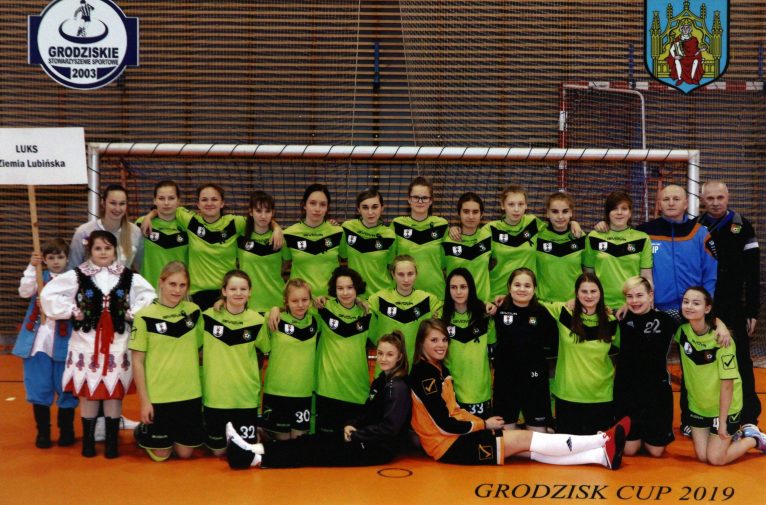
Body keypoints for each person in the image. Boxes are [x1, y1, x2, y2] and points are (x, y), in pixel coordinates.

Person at [409, 318, 630, 469]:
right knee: (525, 438)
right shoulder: (423, 374)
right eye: (434, 340)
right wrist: (483, 424)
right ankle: (601, 439)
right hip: (448, 445)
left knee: (525, 448)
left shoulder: (439, 369)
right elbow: (443, 424)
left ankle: (600, 457)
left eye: (444, 339)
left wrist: (479, 423)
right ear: (421, 343)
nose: (441, 345)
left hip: (455, 438)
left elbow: (454, 410)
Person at [40, 230, 155, 458]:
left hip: (117, 343)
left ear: (115, 251)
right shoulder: (78, 275)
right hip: (86, 343)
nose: (103, 252)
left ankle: (112, 443)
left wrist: (132, 313)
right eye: (98, 248)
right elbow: (49, 294)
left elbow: (149, 295)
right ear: (90, 251)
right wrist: (73, 310)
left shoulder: (127, 276)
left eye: (107, 248)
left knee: (113, 392)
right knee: (88, 392)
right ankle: (88, 442)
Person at [225, 331, 411, 469]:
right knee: (310, 441)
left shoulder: (398, 387)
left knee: (314, 451)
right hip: (361, 437)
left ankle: (255, 458)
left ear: (400, 357)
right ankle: (253, 449)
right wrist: (351, 424)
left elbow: (390, 429)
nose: (383, 358)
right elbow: (368, 412)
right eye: (380, 353)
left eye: (390, 354)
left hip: (375, 449)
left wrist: (357, 435)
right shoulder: (381, 380)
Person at [675, 286, 766, 464]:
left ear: (707, 308)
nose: (689, 306)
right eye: (686, 302)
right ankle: (731, 436)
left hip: (725, 408)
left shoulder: (722, 340)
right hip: (698, 406)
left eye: (696, 303)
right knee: (703, 456)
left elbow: (727, 385)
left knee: (716, 459)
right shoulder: (682, 331)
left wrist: (723, 421)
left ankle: (754, 439)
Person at [699, 180, 761, 426]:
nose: (715, 203)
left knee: (741, 359)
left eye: (720, 197)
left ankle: (748, 416)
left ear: (728, 197)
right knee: (703, 360)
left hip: (733, 305)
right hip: (703, 305)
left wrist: (752, 310)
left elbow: (753, 273)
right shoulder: (695, 227)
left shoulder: (742, 226)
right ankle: (701, 414)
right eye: (710, 198)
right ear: (702, 200)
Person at [130, 261, 205, 462]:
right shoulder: (144, 316)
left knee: (185, 453)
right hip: (159, 395)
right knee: (161, 455)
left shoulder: (194, 311)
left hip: (189, 393)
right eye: (172, 284)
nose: (177, 290)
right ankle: (141, 431)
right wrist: (145, 402)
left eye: (182, 285)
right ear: (161, 282)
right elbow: (137, 361)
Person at [12, 239, 77, 449]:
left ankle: (66, 430)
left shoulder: (74, 280)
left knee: (66, 385)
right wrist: (32, 267)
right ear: (45, 260)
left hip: (65, 340)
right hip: (38, 341)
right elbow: (24, 292)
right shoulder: (39, 277)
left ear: (67, 259)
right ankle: (43, 432)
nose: (56, 261)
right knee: (38, 385)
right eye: (51, 257)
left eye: (60, 257)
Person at [201, 270, 270, 455]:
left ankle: (258, 431)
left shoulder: (258, 321)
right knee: (219, 452)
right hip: (216, 397)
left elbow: (265, 349)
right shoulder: (207, 317)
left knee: (243, 452)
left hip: (245, 397)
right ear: (224, 291)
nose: (238, 293)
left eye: (243, 289)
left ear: (250, 292)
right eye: (232, 289)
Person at [549, 272, 620, 435]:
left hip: (601, 395)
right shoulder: (563, 312)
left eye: (593, 291)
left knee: (597, 447)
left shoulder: (611, 320)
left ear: (600, 293)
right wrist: (503, 299)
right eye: (584, 291)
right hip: (568, 395)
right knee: (569, 447)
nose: (589, 296)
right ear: (576, 293)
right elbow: (530, 302)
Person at [614, 276, 676, 457]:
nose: (634, 301)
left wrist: (720, 325)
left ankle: (649, 435)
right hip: (628, 391)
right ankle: (636, 436)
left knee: (656, 452)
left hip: (656, 392)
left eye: (639, 295)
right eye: (629, 296)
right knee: (629, 450)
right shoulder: (620, 317)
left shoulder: (666, 319)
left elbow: (698, 315)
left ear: (651, 295)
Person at [493, 268, 558, 432]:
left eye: (527, 286)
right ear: (509, 287)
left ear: (534, 289)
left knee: (539, 435)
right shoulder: (498, 310)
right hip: (506, 380)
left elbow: (554, 342)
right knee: (505, 436)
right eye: (517, 285)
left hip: (534, 380)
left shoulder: (542, 312)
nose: (522, 289)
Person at [637, 184, 717, 312]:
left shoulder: (700, 233)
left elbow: (710, 273)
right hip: (655, 309)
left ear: (686, 204)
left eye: (676, 199)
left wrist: (707, 301)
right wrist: (606, 226)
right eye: (666, 199)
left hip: (692, 308)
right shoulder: (644, 232)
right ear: (659, 204)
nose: (671, 203)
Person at [314, 266, 373, 434]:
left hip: (357, 390)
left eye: (350, 287)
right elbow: (296, 306)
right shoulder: (323, 308)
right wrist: (276, 310)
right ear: (334, 290)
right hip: (328, 388)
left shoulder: (367, 312)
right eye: (340, 288)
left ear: (357, 288)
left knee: (352, 445)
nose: (345, 292)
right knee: (325, 445)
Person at [262, 279, 318, 440]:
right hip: (277, 391)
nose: (300, 305)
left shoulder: (316, 320)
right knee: (282, 443)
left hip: (304, 392)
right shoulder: (273, 318)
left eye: (304, 300)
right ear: (285, 301)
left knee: (299, 443)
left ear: (310, 300)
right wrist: (274, 309)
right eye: (294, 301)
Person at [368, 255, 442, 367]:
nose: (406, 280)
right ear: (393, 274)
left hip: (417, 367)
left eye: (410, 274)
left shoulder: (429, 300)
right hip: (388, 368)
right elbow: (369, 330)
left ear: (416, 274)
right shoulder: (378, 299)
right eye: (401, 274)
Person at [440, 268, 494, 418]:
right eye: (453, 287)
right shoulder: (441, 316)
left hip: (479, 391)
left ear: (471, 288)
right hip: (452, 390)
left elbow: (492, 347)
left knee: (481, 431)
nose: (458, 292)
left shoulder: (485, 315)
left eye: (463, 287)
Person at [585, 191, 653, 310]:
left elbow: (646, 278)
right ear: (608, 213)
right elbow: (588, 276)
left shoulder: (642, 238)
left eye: (624, 208)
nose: (619, 213)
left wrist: (646, 306)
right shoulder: (594, 237)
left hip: (632, 305)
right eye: (614, 209)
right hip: (601, 306)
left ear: (630, 213)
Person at [282, 184, 343, 298]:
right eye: (312, 203)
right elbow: (282, 267)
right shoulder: (289, 234)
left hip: (330, 300)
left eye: (323, 204)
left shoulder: (338, 232)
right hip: (300, 301)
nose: (317, 209)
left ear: (327, 208)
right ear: (304, 205)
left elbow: (345, 260)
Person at [392, 176, 449, 298]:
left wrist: (457, 229)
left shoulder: (442, 225)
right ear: (409, 199)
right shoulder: (397, 225)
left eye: (424, 198)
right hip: (404, 295)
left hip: (435, 294)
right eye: (416, 197)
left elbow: (447, 263)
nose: (420, 201)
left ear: (431, 201)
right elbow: (389, 261)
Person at [68, 184, 144, 271]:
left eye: (122, 204)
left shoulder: (136, 232)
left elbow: (140, 268)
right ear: (103, 203)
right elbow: (72, 268)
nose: (117, 208)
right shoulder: (83, 232)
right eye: (113, 203)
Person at [340, 188, 396, 296]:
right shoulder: (347, 228)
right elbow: (343, 255)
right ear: (358, 209)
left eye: (375, 207)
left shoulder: (390, 235)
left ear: (382, 208)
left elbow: (390, 266)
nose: (370, 212)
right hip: (356, 295)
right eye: (365, 207)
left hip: (383, 294)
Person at [135, 180, 188, 291]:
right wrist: (149, 216)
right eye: (161, 198)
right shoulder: (142, 223)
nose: (166, 203)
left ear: (179, 201)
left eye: (171, 198)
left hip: (178, 292)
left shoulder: (187, 227)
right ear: (154, 200)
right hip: (148, 292)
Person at [237, 191, 285, 313]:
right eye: (258, 211)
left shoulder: (280, 238)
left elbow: (288, 262)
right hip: (248, 303)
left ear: (273, 213)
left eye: (267, 211)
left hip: (276, 302)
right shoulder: (240, 237)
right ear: (251, 212)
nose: (263, 216)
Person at [536, 192, 586, 303]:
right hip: (543, 303)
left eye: (565, 211)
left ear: (571, 212)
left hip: (573, 303)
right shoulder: (538, 235)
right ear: (547, 213)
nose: (560, 216)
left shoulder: (580, 236)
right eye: (554, 211)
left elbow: (588, 272)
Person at [442, 192, 492, 302]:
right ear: (458, 214)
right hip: (455, 305)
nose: (471, 216)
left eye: (475, 212)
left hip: (482, 304)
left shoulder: (488, 237)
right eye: (466, 211)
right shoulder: (447, 240)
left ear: (482, 214)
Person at [666, 19, 706, 86]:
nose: (685, 30)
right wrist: (674, 56)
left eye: (687, 28)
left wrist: (700, 50)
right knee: (677, 61)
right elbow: (671, 50)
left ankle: (693, 79)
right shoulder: (678, 39)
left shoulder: (694, 39)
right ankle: (680, 78)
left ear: (690, 30)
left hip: (691, 58)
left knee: (696, 61)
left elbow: (695, 52)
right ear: (681, 29)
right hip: (682, 58)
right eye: (684, 28)